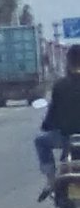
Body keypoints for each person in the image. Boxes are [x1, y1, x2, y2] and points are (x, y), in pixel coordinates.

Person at [35, 47, 80, 199]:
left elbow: (52, 114)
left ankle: (51, 180)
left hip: (66, 138)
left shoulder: (60, 85)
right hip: (67, 139)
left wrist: (46, 125)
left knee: (40, 141)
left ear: (68, 62)